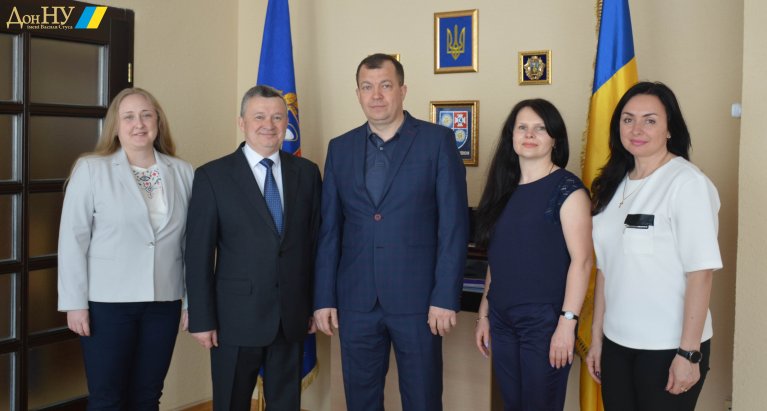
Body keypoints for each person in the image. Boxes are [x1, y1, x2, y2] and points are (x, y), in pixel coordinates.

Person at [313, 53, 469, 411]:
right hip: (356, 300)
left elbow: (454, 227)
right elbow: (330, 230)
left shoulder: (437, 142)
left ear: (402, 90)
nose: (377, 95)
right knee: (361, 400)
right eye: (367, 87)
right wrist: (324, 297)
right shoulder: (340, 148)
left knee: (423, 399)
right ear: (358, 94)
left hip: (419, 301)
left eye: (385, 85)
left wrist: (445, 296)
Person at [586, 81, 722, 411]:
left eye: (650, 120)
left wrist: (688, 353)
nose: (637, 129)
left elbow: (700, 273)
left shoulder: (687, 183)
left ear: (670, 128)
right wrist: (597, 338)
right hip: (617, 344)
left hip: (668, 347)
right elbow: (605, 270)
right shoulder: (612, 184)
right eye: (628, 119)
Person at [184, 85, 321, 411]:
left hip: (291, 317)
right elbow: (198, 254)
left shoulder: (307, 173)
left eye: (277, 117)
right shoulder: (212, 176)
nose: (269, 125)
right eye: (259, 116)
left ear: (287, 122)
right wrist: (202, 318)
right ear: (242, 122)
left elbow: (315, 245)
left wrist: (315, 304)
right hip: (233, 321)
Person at [58, 87, 193, 410]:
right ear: (115, 126)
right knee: (107, 397)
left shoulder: (183, 172)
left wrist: (192, 301)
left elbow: (191, 243)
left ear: (158, 122)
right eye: (129, 117)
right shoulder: (91, 169)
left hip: (163, 302)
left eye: (146, 115)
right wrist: (74, 303)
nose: (139, 124)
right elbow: (73, 240)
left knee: (148, 396)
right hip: (107, 305)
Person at [473, 99, 592, 410]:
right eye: (522, 127)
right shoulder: (503, 189)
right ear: (511, 136)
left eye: (540, 128)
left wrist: (567, 324)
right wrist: (484, 314)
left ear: (555, 139)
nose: (529, 134)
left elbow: (582, 262)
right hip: (502, 319)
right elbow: (497, 260)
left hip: (544, 323)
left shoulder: (568, 190)